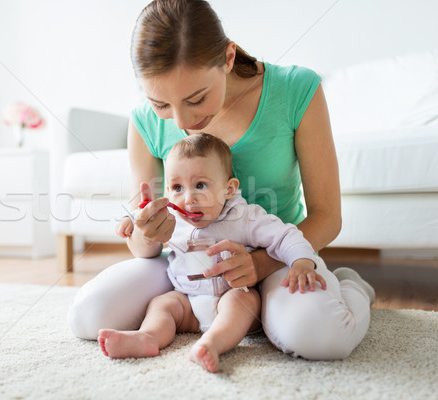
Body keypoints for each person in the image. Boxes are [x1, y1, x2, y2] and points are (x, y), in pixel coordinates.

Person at [68, 0, 375, 360]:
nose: (181, 121)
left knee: (321, 338)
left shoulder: (296, 89)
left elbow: (328, 216)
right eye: (161, 104)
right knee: (87, 317)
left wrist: (258, 264)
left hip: (278, 258)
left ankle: (351, 286)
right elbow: (143, 244)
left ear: (228, 58)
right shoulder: (143, 123)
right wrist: (146, 232)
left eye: (196, 98)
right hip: (185, 265)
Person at [99, 133, 327, 373]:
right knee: (162, 304)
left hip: (230, 297)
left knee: (243, 301)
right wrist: (131, 221)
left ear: (228, 189)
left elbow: (285, 236)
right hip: (187, 302)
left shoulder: (245, 217)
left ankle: (211, 344)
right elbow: (145, 217)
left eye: (200, 186)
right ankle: (148, 337)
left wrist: (302, 261)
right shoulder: (172, 218)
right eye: (177, 187)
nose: (189, 199)